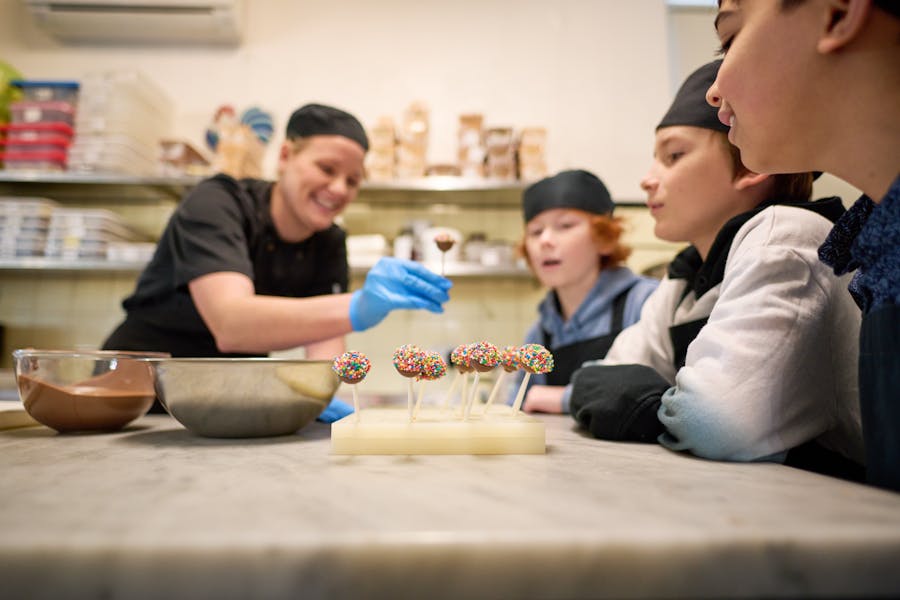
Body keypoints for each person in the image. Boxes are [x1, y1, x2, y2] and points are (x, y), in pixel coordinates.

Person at [569, 60, 865, 480]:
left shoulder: (786, 234)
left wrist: (642, 404)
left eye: (673, 155)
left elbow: (715, 421)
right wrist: (667, 403)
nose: (647, 180)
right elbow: (600, 377)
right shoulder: (687, 277)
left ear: (749, 166)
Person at [103, 103, 452, 416]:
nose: (339, 189)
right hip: (136, 398)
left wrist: (323, 394)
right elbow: (231, 324)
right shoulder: (217, 204)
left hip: (225, 400)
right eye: (327, 169)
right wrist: (358, 307)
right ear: (285, 156)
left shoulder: (329, 240)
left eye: (353, 180)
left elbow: (324, 341)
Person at [707, 0, 899, 491]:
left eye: (729, 40)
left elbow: (721, 418)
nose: (713, 90)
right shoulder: (878, 251)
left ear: (836, 13)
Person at [508, 169, 659, 414]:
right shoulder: (540, 333)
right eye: (535, 231)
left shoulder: (645, 303)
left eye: (565, 225)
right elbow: (518, 408)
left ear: (603, 238)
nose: (545, 240)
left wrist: (565, 398)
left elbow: (664, 393)